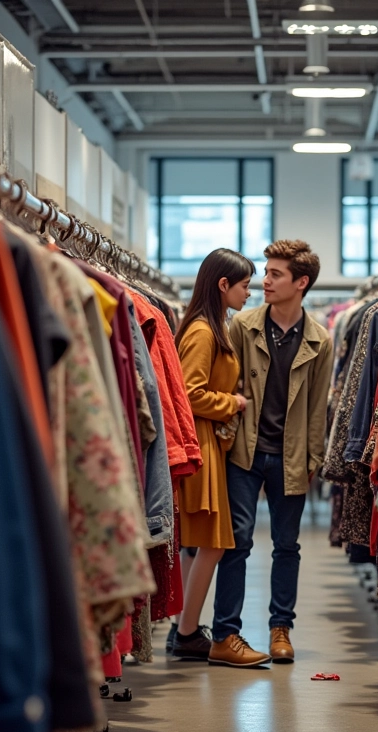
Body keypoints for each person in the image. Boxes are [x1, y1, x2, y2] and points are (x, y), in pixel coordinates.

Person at [210, 239, 333, 668]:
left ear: (301, 283)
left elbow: (318, 409)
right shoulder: (242, 326)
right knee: (237, 543)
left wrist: (313, 459)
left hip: (292, 455)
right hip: (244, 451)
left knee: (287, 546)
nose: (264, 281)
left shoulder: (320, 340)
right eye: (265, 273)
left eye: (275, 274)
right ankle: (226, 632)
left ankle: (281, 629)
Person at [171, 248, 255, 660]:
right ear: (223, 285)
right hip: (202, 441)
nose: (249, 294)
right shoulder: (204, 331)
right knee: (214, 542)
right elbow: (189, 393)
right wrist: (233, 403)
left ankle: (184, 627)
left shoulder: (209, 325)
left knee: (202, 541)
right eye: (245, 286)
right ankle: (186, 633)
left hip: (208, 442)